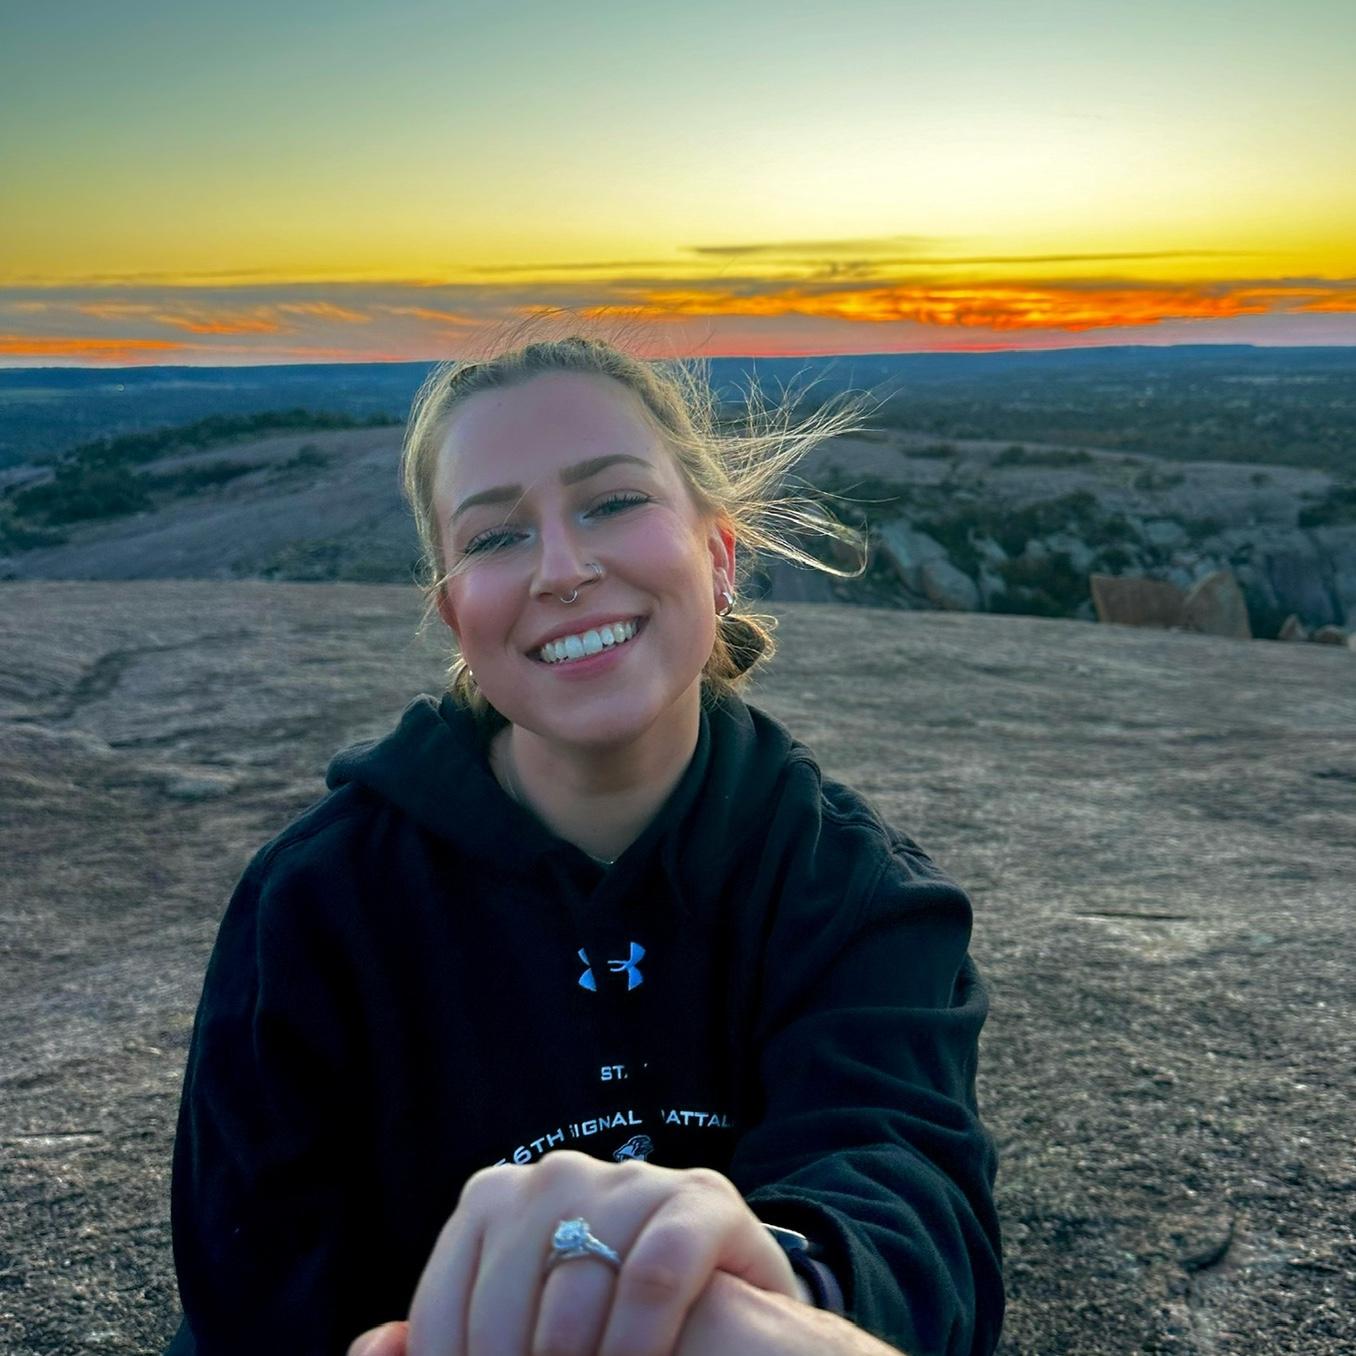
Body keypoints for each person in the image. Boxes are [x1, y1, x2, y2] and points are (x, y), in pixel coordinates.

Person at [164, 331, 1004, 1356]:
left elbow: (908, 1199)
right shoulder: (315, 907)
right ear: (456, 614)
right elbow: (255, 1286)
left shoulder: (855, 896)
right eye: (495, 537)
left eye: (612, 502)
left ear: (719, 555)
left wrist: (778, 1287)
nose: (562, 570)